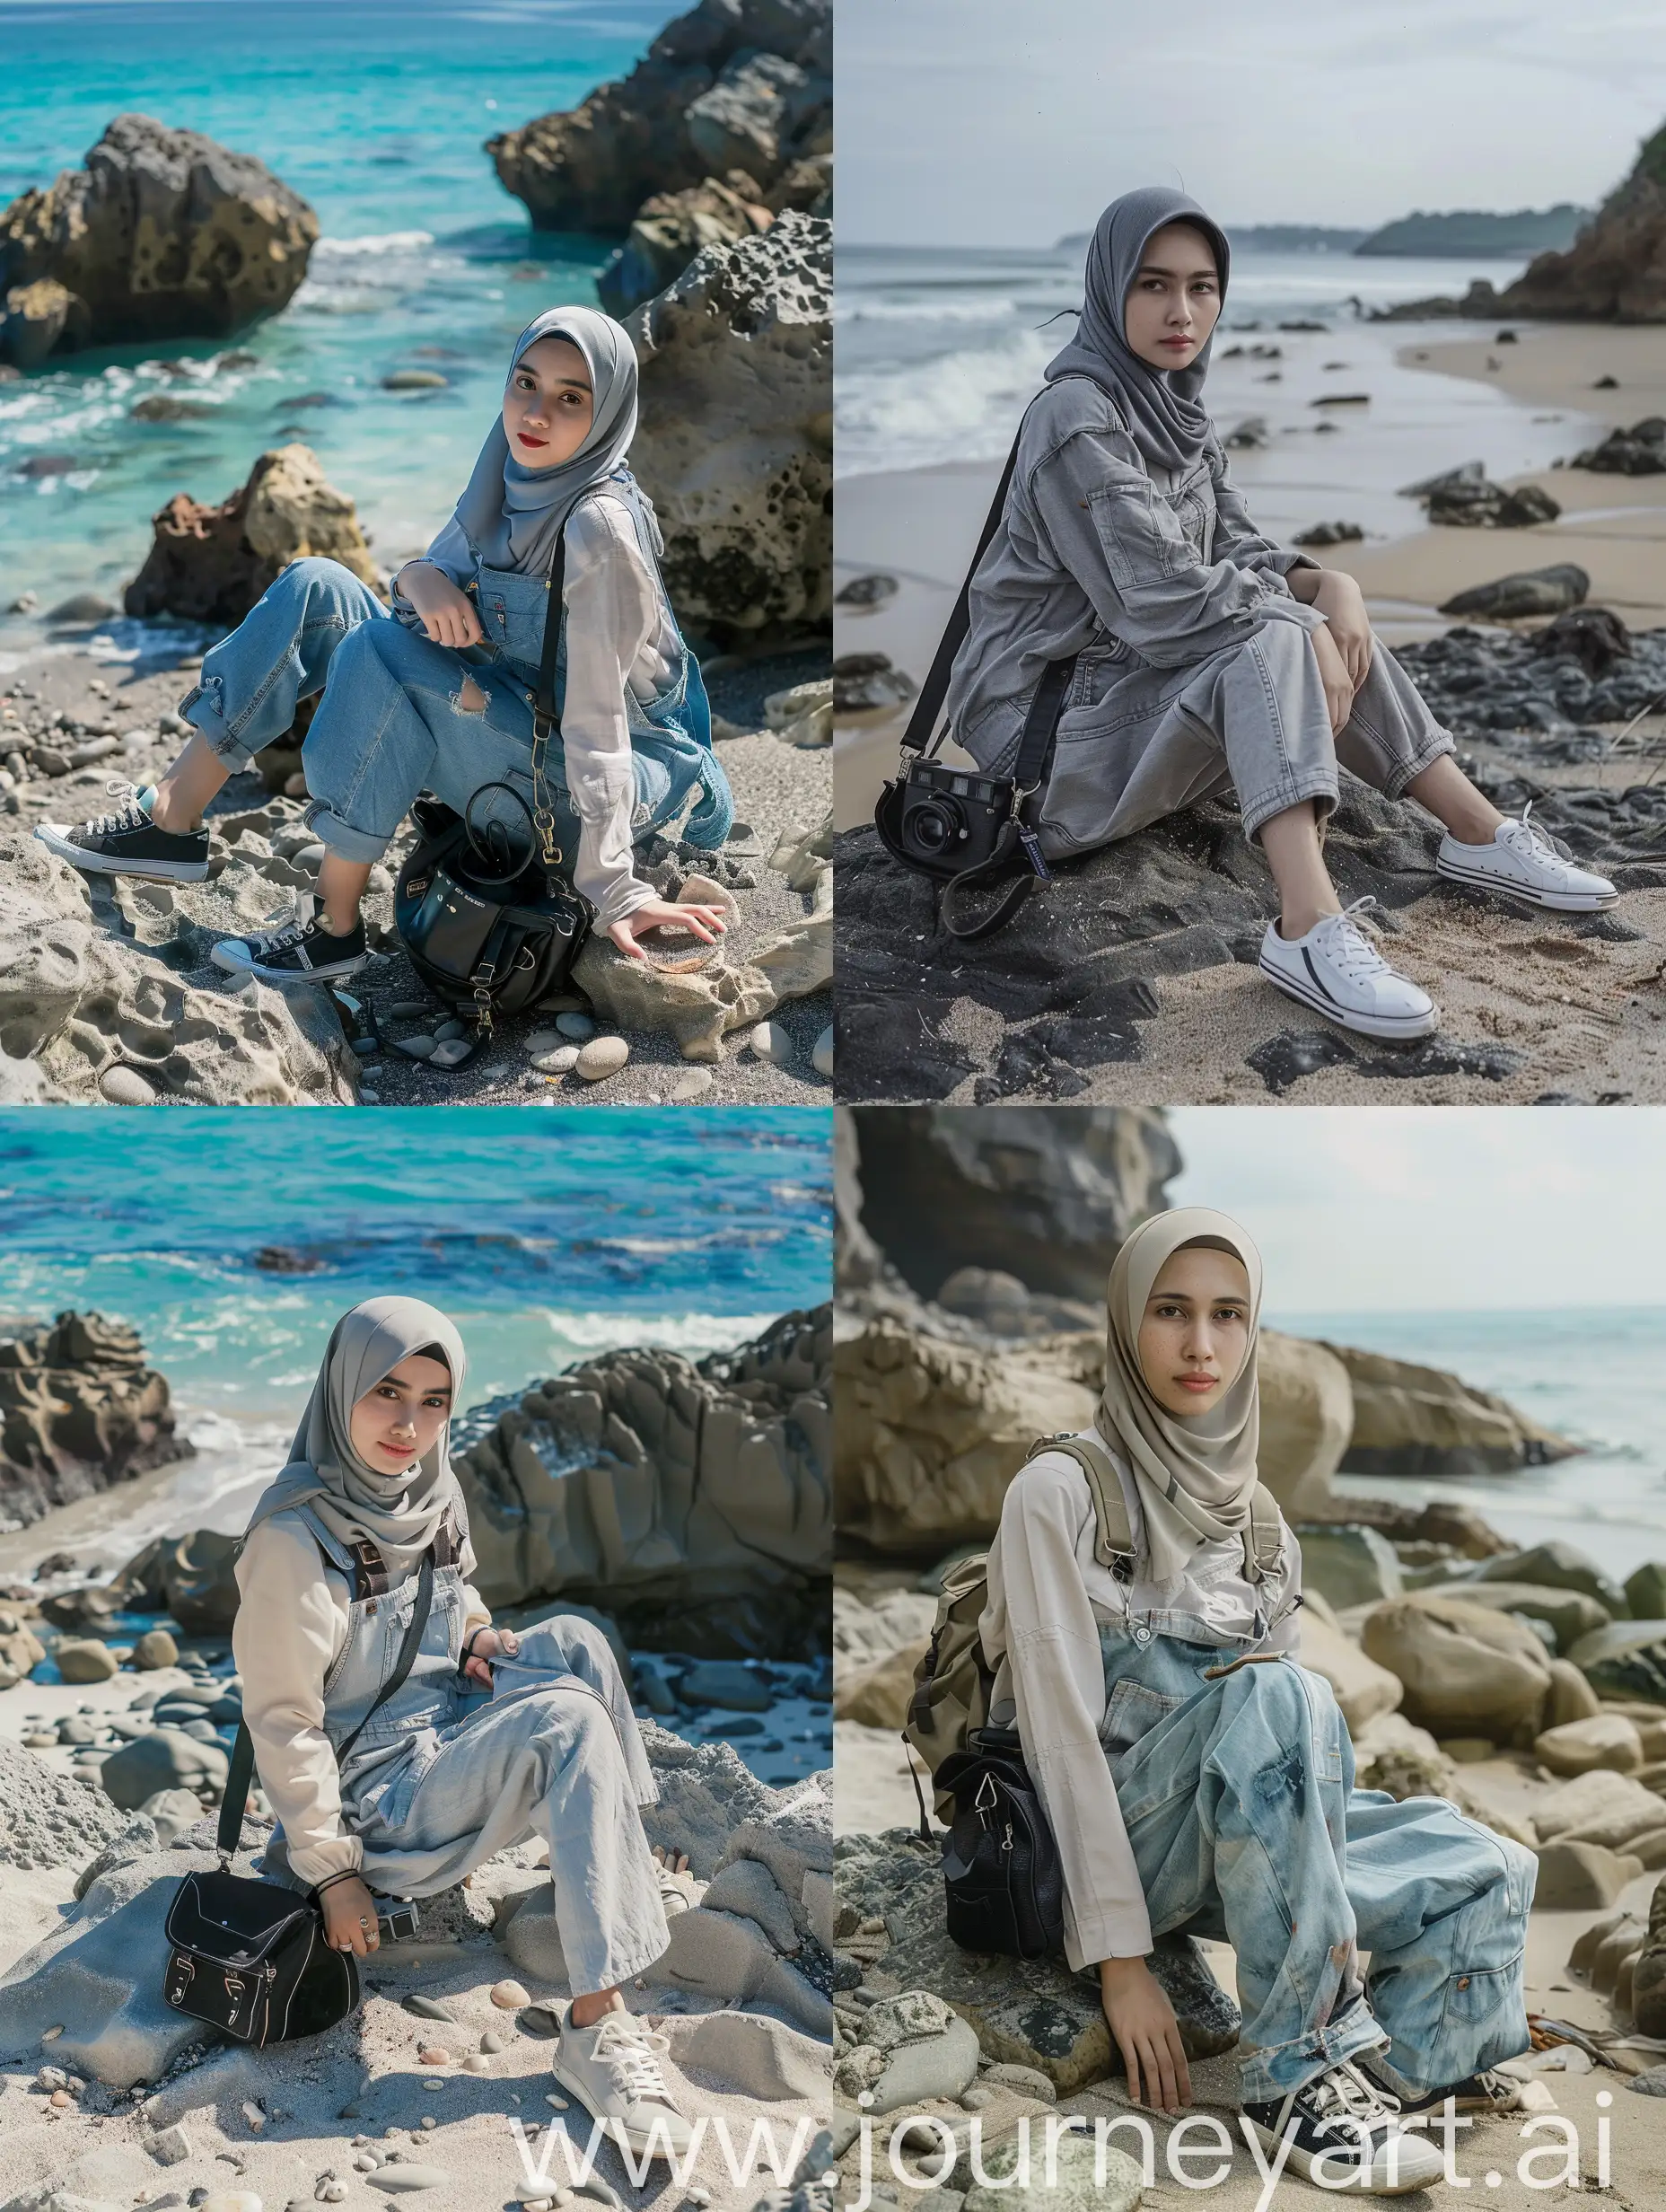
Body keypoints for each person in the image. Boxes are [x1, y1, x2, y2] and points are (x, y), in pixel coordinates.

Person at [942, 188, 1617, 1041]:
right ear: (1109, 289)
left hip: (1128, 698)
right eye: (1153, 286)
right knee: (1271, 634)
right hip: (1040, 754)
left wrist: (1333, 587)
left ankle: (1477, 833)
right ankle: (1304, 928)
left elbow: (1238, 550)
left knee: (1300, 621)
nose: (1182, 311)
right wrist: (1299, 626)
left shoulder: (1175, 406)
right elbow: (1161, 602)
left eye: (1202, 286)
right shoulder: (1078, 415)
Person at [978, 1208, 1536, 2194]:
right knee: (1285, 1690)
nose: (1202, 1344)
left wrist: (1326, 1899)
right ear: (1124, 1320)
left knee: (1485, 1861)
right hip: (1100, 1851)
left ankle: (1392, 2072)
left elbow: (1286, 1768)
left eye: (1228, 1315)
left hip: (1235, 1840)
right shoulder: (1059, 1491)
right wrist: (1121, 1964)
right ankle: (1294, 2078)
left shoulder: (1260, 1519)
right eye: (1170, 1311)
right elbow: (1058, 1742)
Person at [38, 306, 732, 987]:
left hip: (588, 799)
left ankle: (333, 930)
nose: (536, 414)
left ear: (607, 412)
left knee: (378, 649)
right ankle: (171, 817)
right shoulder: (510, 470)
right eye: (525, 382)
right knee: (318, 584)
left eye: (570, 398)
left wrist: (616, 888)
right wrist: (419, 576)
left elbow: (601, 725)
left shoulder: (597, 530)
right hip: (512, 730)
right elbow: (426, 597)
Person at [231, 1295, 697, 2159]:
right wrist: (332, 1876)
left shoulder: (433, 1493)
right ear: (340, 1391)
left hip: (443, 1728)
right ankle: (596, 2025)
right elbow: (284, 1724)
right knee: (564, 1723)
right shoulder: (292, 1544)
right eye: (386, 1393)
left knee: (577, 1643)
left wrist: (476, 1636)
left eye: (434, 1401)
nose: (409, 1425)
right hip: (377, 1800)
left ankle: (616, 1864)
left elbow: (457, 1598)